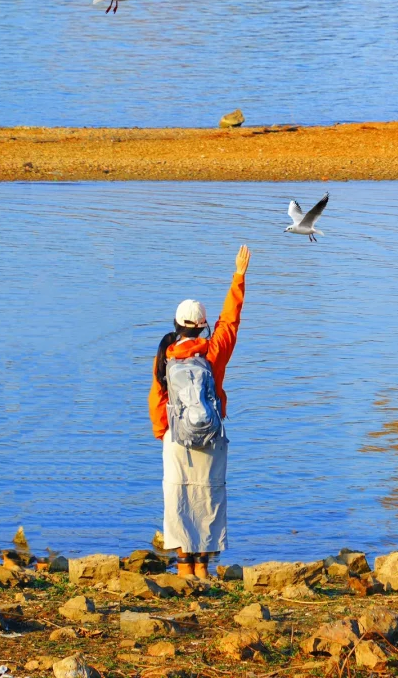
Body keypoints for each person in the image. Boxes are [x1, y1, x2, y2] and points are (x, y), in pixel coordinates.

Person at [148, 245, 250, 578]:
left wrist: (162, 431)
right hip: (210, 435)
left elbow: (157, 396)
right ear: (203, 327)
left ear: (177, 324)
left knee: (177, 496)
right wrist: (239, 276)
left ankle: (183, 567)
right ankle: (204, 568)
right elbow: (230, 321)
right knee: (209, 497)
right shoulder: (213, 352)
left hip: (176, 438)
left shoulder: (166, 354)